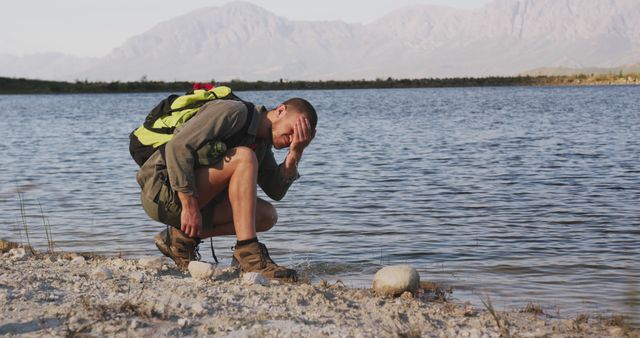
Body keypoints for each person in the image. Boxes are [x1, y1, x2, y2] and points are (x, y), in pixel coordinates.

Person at [136, 97, 317, 281]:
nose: (293, 139)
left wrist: (295, 153)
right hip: (162, 193)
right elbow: (177, 147)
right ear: (280, 111)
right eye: (294, 130)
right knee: (245, 157)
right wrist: (189, 204)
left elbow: (275, 191)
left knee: (266, 216)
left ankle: (179, 239)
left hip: (191, 201)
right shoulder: (233, 112)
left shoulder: (260, 141)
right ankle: (250, 256)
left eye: (301, 137)